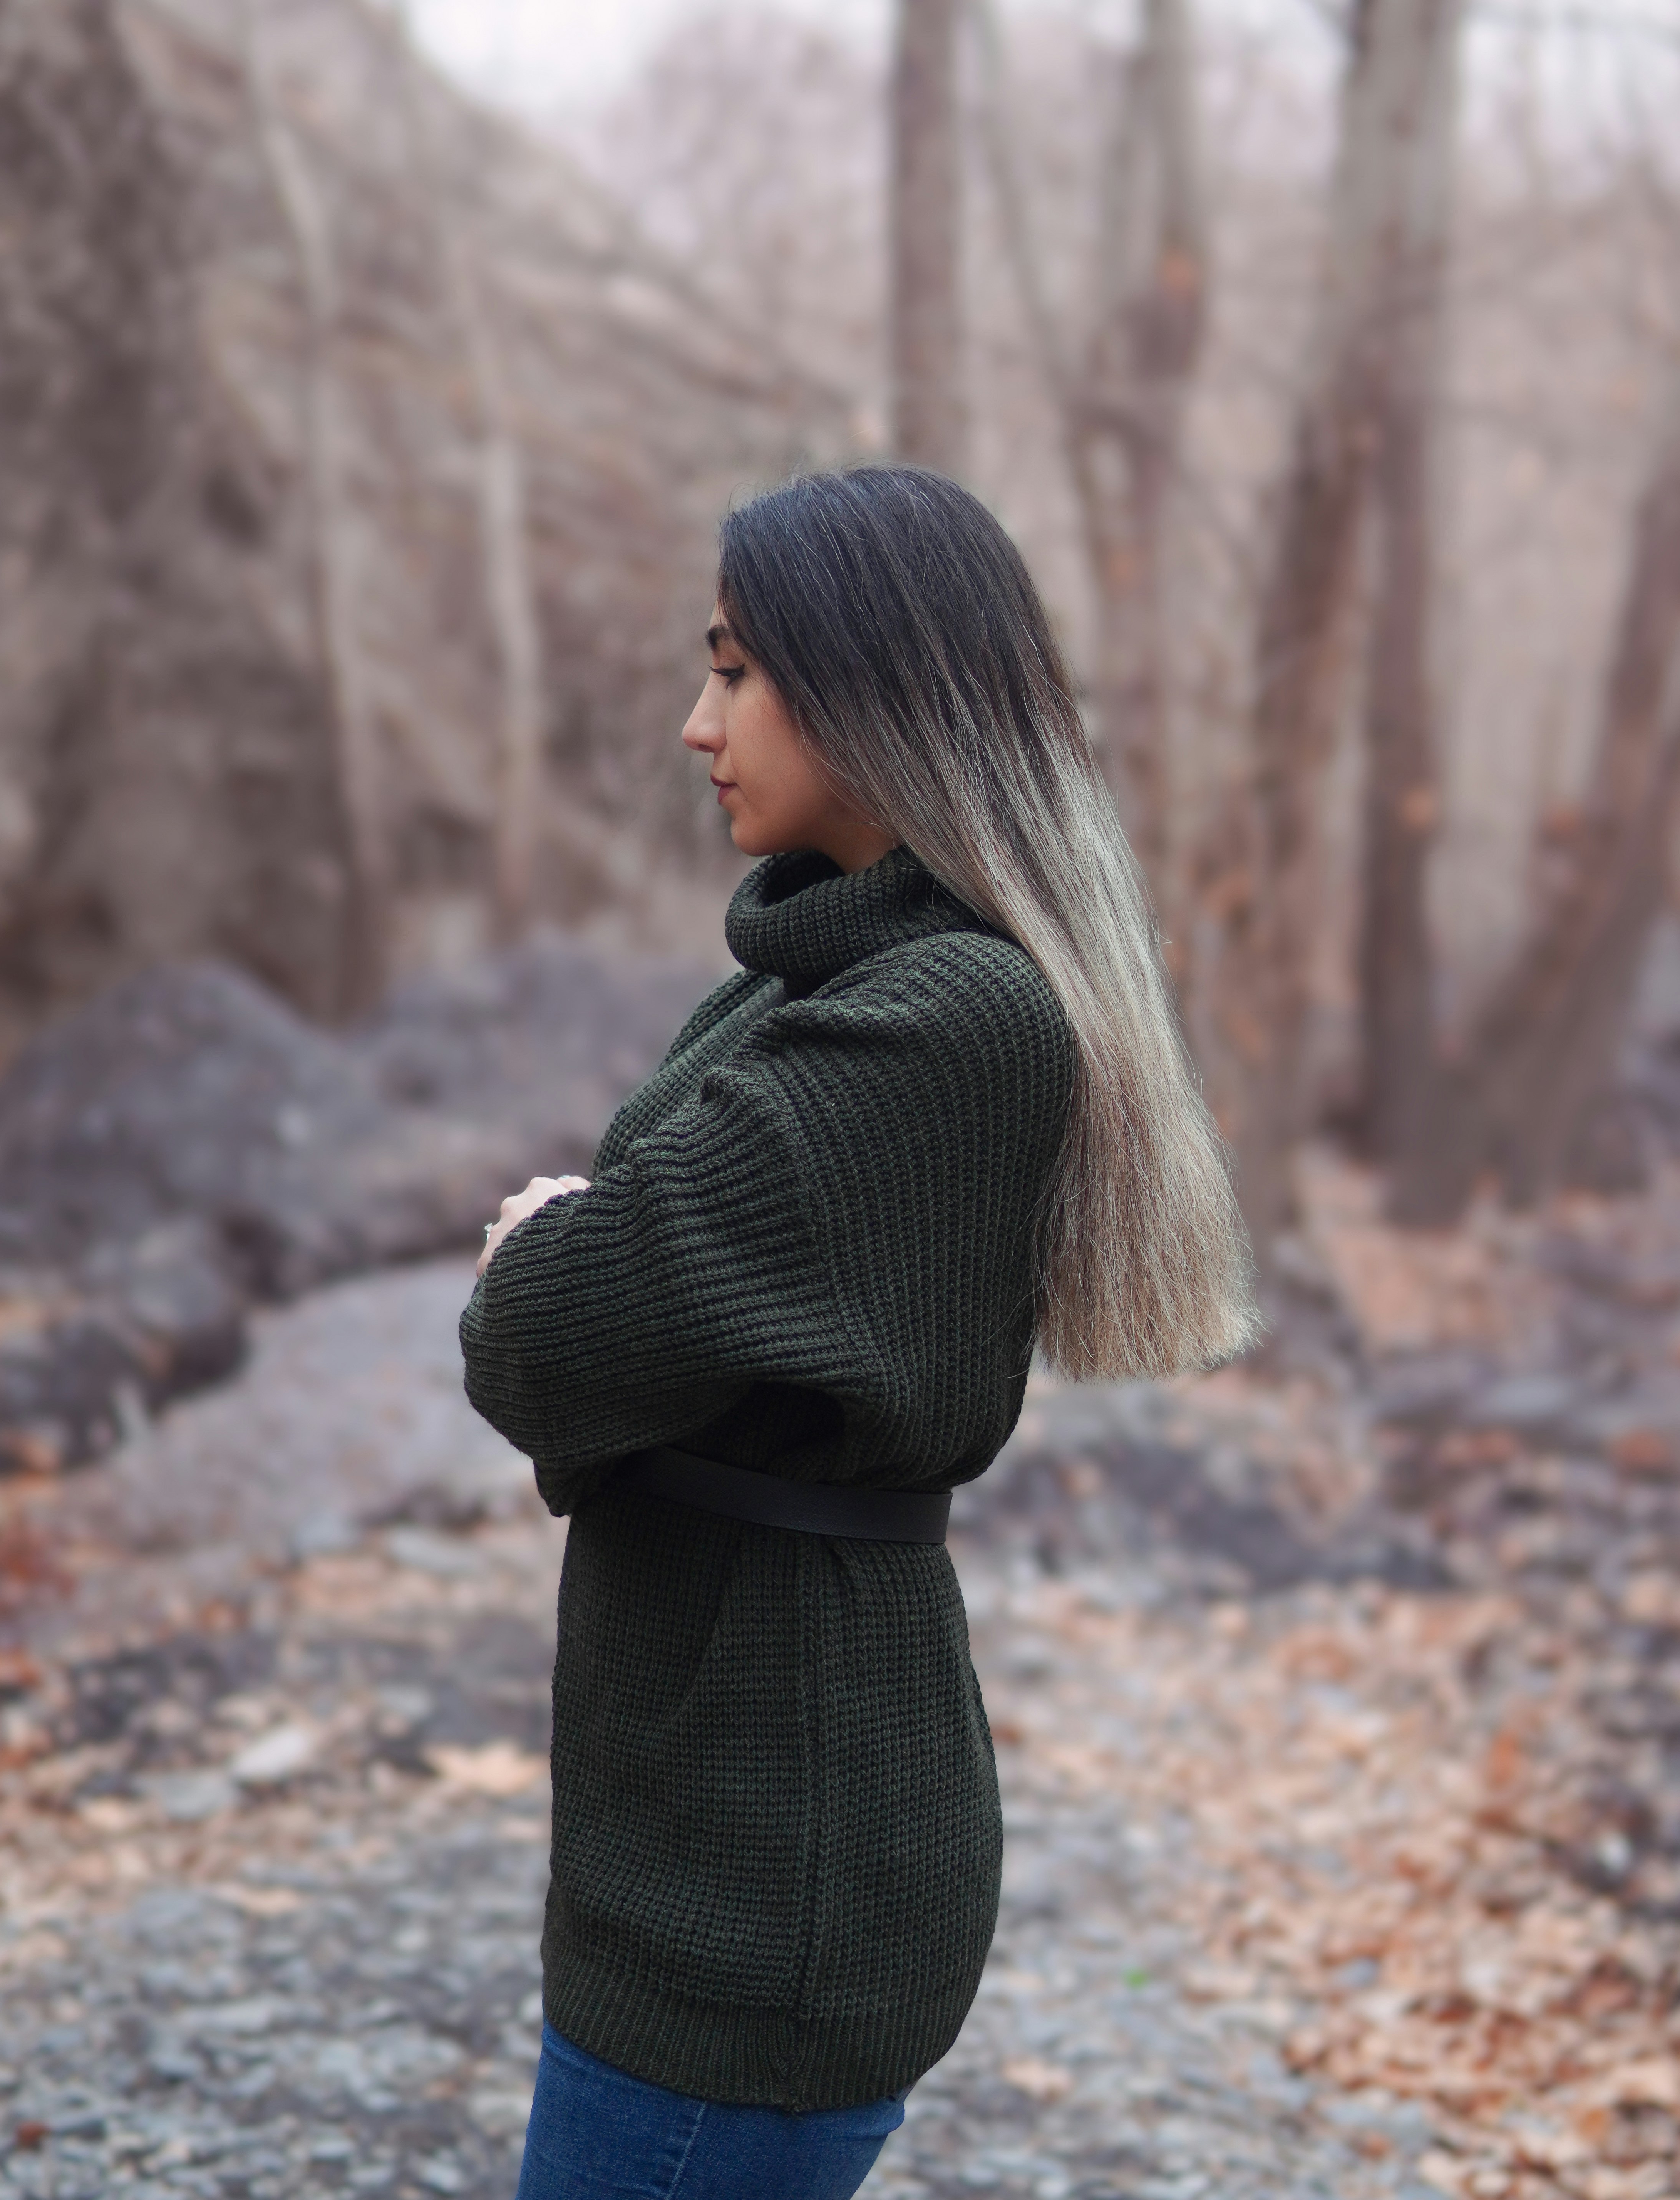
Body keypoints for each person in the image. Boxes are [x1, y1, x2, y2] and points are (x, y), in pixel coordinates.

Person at [460, 465, 1257, 2200]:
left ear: (876, 681)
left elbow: (553, 1344)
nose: (697, 722)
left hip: (765, 1876)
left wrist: (552, 1256)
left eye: (737, 669)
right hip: (710, 1812)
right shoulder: (803, 984)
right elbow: (614, 1313)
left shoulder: (944, 1021)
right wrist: (583, 1272)